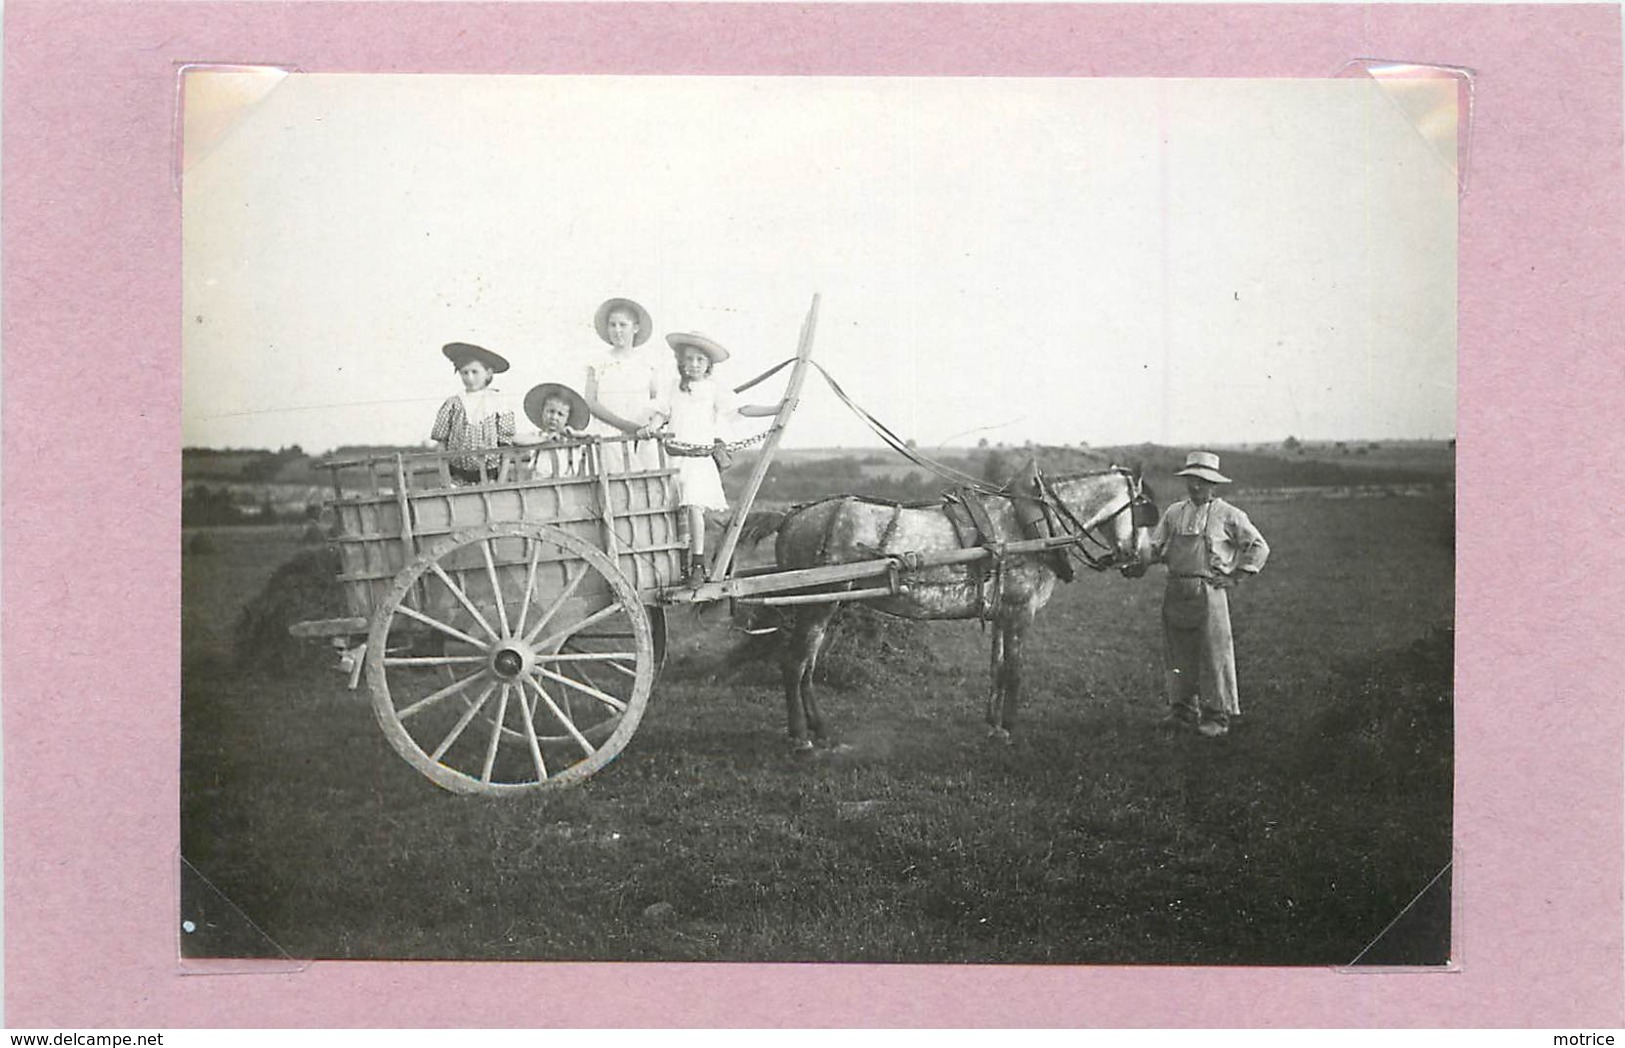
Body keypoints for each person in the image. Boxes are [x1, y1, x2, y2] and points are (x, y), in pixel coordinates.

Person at [1148, 451, 1270, 737]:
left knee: (1213, 655)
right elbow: (1156, 548)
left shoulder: (1228, 514)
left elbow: (1258, 546)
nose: (1196, 486)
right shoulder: (1174, 512)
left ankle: (1217, 716)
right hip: (1176, 589)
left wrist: (1237, 576)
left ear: (1213, 484)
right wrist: (1135, 560)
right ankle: (1182, 711)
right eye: (1192, 480)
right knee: (1177, 653)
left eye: (1202, 481)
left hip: (1209, 591)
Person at [647, 332, 781, 585]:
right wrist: (650, 426)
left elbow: (741, 409)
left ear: (709, 364)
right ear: (681, 361)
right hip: (675, 459)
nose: (694, 364)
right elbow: (660, 412)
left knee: (695, 506)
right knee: (677, 512)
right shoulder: (673, 387)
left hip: (700, 461)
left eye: (700, 359)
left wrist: (776, 409)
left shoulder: (713, 389)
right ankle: (681, 565)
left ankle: (698, 564)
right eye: (689, 359)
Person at [583, 297, 662, 472]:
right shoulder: (598, 362)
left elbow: (658, 401)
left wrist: (649, 427)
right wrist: (624, 426)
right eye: (612, 325)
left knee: (646, 484)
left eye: (622, 325)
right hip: (608, 435)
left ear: (635, 328)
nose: (617, 330)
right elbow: (590, 401)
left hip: (642, 437)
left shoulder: (648, 364)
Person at [430, 341, 516, 484]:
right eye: (465, 373)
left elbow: (506, 445)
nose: (469, 378)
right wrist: (446, 480)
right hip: (457, 475)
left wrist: (501, 481)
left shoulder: (499, 402)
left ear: (488, 373)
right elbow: (441, 444)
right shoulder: (453, 403)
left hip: (490, 476)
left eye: (475, 372)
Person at [520, 382, 591, 479]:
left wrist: (573, 434)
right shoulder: (537, 436)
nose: (554, 417)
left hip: (568, 487)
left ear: (567, 419)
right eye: (550, 411)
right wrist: (545, 440)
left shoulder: (572, 439)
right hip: (540, 487)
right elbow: (515, 439)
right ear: (542, 412)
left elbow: (589, 438)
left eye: (560, 414)